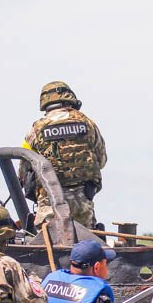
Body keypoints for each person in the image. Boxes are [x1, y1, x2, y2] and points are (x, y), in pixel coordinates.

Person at [22, 81, 107, 229]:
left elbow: (24, 170)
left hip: (50, 203)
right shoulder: (88, 124)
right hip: (82, 203)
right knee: (85, 241)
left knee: (47, 240)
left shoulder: (35, 130)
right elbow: (101, 160)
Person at [37, 239, 121, 303]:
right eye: (106, 263)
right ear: (97, 267)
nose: (107, 268)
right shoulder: (98, 298)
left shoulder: (49, 281)